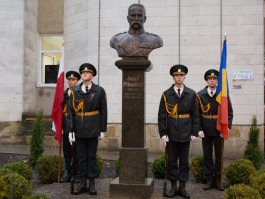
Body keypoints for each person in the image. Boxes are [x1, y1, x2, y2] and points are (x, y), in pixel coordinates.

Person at [158, 64, 200, 198]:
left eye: (181, 75)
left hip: (186, 132)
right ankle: (173, 186)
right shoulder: (166, 94)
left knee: (183, 161)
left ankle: (182, 186)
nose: (179, 77)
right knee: (171, 162)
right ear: (173, 77)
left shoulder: (191, 94)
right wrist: (163, 133)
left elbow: (195, 115)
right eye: (177, 75)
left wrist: (194, 132)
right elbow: (162, 115)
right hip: (171, 133)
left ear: (184, 77)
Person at [68, 63, 107, 195]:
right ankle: (82, 183)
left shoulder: (99, 91)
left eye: (88, 72)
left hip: (93, 128)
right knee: (81, 158)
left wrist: (102, 129)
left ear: (92, 75)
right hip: (79, 129)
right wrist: (71, 130)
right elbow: (71, 113)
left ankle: (92, 184)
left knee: (91, 157)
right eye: (83, 73)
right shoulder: (75, 91)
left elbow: (103, 111)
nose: (85, 74)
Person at [197, 69, 233, 191]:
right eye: (210, 79)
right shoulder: (200, 94)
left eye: (214, 79)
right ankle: (209, 179)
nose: (212, 80)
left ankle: (218, 179)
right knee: (207, 156)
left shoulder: (222, 95)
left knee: (219, 156)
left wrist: (226, 127)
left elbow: (229, 112)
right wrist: (198, 129)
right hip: (205, 130)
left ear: (217, 81)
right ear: (207, 81)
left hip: (219, 130)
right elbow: (197, 114)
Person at [61, 70, 80, 183]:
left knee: (77, 153)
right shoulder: (62, 95)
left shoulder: (79, 94)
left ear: (77, 81)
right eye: (69, 80)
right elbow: (58, 111)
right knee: (67, 152)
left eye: (73, 80)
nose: (71, 82)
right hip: (65, 128)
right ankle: (68, 173)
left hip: (76, 128)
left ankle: (76, 174)